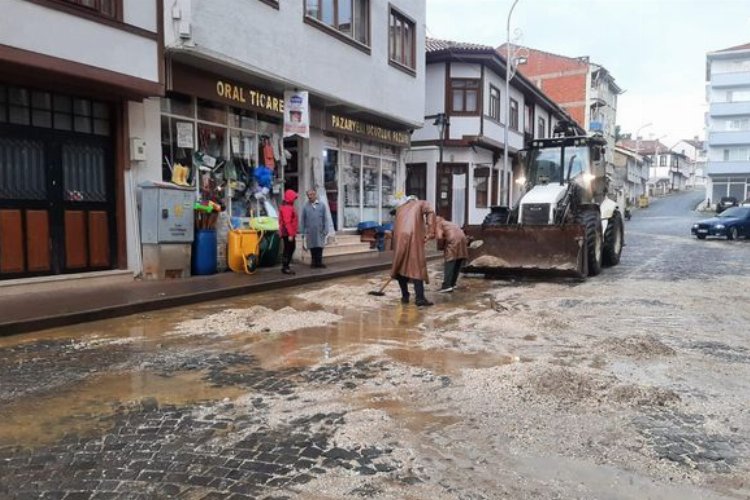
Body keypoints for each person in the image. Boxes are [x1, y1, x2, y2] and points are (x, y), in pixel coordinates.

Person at [390, 196, 436, 307]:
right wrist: (430, 232)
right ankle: (420, 299)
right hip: (413, 236)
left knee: (400, 266)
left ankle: (405, 296)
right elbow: (431, 212)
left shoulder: (400, 208)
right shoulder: (421, 203)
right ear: (415, 200)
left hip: (399, 238)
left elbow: (393, 219)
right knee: (417, 266)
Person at [435, 216, 468, 293]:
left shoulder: (439, 224)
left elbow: (439, 237)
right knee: (458, 261)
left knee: (449, 261)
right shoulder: (450, 223)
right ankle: (452, 284)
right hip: (463, 239)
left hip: (453, 241)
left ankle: (446, 286)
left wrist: (441, 246)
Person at [300, 189, 328, 268]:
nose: (310, 197)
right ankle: (313, 262)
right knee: (312, 247)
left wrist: (326, 229)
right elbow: (303, 219)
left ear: (315, 195)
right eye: (308, 195)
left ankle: (319, 262)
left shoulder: (322, 205)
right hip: (310, 230)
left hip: (320, 230)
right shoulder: (305, 206)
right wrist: (302, 231)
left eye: (311, 195)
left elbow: (325, 218)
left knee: (319, 246)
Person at [279, 189, 298, 275]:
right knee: (289, 249)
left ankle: (286, 266)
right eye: (294, 197)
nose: (294, 199)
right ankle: (285, 267)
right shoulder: (287, 208)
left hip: (287, 232)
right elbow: (287, 222)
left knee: (289, 248)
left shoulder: (287, 206)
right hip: (287, 233)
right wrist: (291, 234)